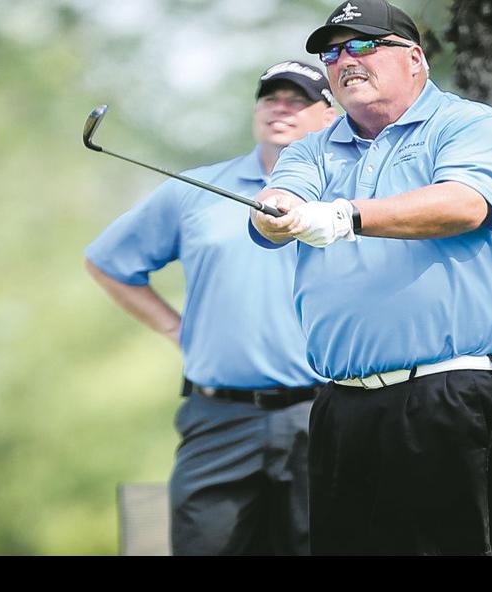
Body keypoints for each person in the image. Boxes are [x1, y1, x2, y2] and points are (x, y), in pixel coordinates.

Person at [249, 0, 492, 555]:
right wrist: (276, 212)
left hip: (450, 393)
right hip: (342, 404)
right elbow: (279, 202)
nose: (345, 60)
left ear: (415, 59)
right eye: (333, 53)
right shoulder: (313, 148)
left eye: (363, 45)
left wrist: (346, 215)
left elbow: (465, 204)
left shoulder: (468, 125)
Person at [84, 61, 337, 555]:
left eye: (298, 100)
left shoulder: (353, 196)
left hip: (322, 412)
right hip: (218, 416)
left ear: (330, 116)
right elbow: (108, 262)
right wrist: (174, 329)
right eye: (270, 98)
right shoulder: (195, 189)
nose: (280, 108)